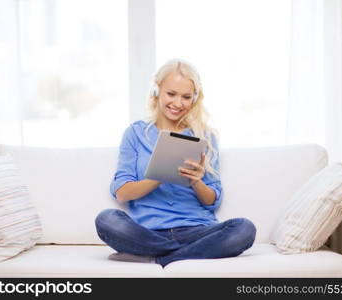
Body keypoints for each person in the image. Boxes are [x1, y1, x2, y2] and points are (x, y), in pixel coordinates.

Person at [95, 59, 256, 268]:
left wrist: (197, 182)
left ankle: (158, 258)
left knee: (244, 229)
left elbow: (212, 200)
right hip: (147, 231)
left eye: (186, 97)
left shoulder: (205, 137)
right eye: (171, 94)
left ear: (194, 99)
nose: (178, 103)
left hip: (197, 231)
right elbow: (122, 193)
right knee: (106, 220)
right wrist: (161, 174)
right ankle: (182, 255)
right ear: (157, 91)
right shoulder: (135, 133)